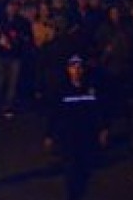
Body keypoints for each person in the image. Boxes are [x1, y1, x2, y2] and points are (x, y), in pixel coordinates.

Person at [45, 55, 109, 200]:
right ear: (68, 70)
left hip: (87, 135)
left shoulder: (91, 88)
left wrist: (103, 129)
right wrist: (49, 134)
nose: (77, 70)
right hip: (68, 136)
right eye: (73, 67)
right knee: (71, 170)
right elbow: (54, 113)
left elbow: (100, 110)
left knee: (85, 170)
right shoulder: (61, 89)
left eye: (79, 67)